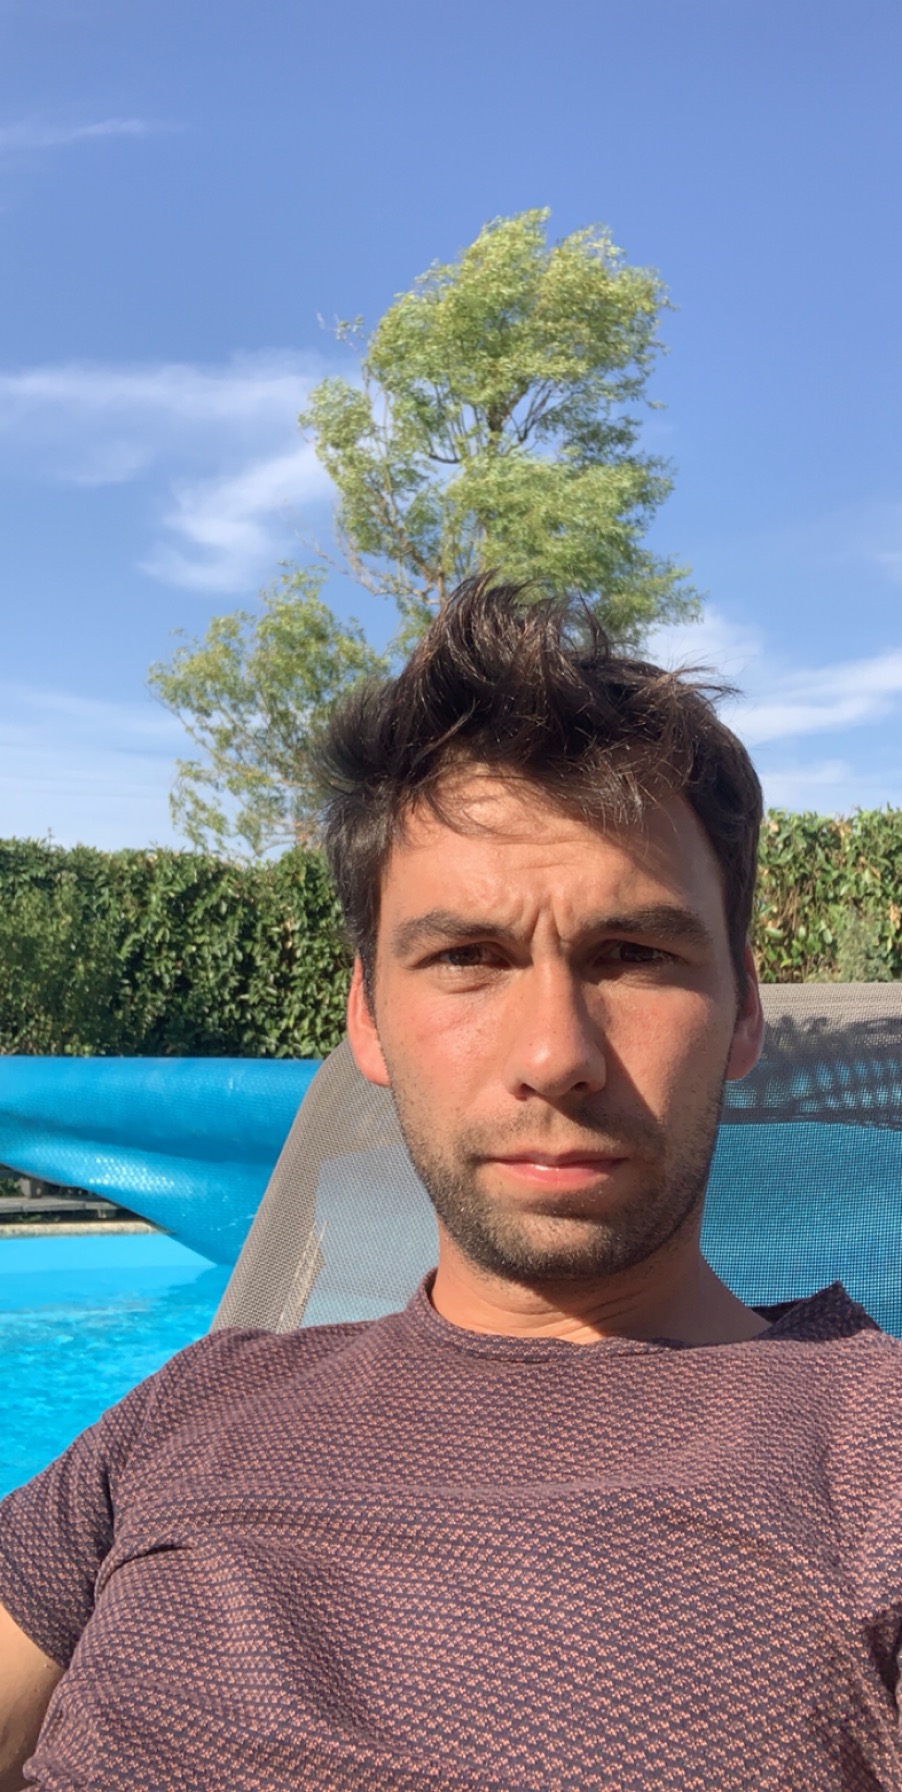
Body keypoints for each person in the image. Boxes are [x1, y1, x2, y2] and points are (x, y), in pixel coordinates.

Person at [0, 579, 899, 1791]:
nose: (555, 1055)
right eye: (468, 956)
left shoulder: (871, 1452)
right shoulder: (191, 1405)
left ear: (742, 1009)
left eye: (632, 955)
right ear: (368, 1017)